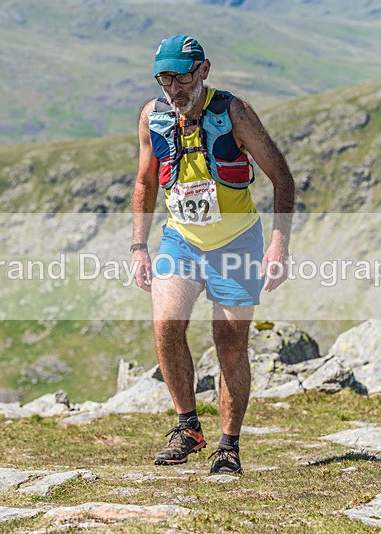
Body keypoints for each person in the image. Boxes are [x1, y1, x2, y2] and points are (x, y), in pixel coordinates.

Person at [130, 34, 295, 474]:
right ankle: (188, 427)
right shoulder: (153, 116)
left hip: (236, 244)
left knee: (230, 346)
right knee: (166, 324)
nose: (173, 88)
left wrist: (279, 244)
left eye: (180, 77)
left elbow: (282, 177)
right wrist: (138, 246)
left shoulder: (233, 112)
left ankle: (228, 446)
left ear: (203, 70)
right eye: (164, 79)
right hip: (180, 240)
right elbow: (145, 184)